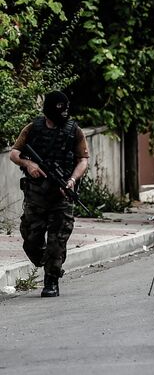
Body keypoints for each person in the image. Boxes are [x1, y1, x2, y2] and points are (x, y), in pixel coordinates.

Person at [9, 90, 89, 297]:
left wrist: (71, 180)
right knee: (31, 239)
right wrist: (29, 164)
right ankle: (48, 262)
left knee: (57, 240)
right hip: (36, 195)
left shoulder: (74, 131)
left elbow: (83, 160)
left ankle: (51, 280)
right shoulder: (33, 128)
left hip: (62, 196)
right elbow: (14, 153)